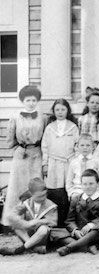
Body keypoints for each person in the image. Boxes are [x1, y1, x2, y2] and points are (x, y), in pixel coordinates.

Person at [2, 86, 46, 227]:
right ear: (23, 101)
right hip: (21, 155)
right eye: (28, 100)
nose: (31, 103)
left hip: (37, 154)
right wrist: (19, 149)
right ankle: (14, 221)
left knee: (35, 185)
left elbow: (45, 137)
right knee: (18, 187)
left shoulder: (43, 117)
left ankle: (33, 221)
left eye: (34, 100)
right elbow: (10, 139)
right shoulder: (15, 117)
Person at [55, 169, 99, 256]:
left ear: (98, 184)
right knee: (55, 232)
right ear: (81, 185)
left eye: (91, 184)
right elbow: (69, 220)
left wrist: (91, 225)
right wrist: (75, 230)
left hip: (95, 233)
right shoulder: (76, 199)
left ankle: (69, 248)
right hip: (80, 233)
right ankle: (86, 246)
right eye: (84, 184)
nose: (88, 187)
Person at [42, 99, 79, 226]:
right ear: (54, 111)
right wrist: (45, 164)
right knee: (54, 192)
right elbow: (45, 147)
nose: (60, 112)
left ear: (67, 111)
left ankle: (67, 222)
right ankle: (54, 222)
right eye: (57, 109)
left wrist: (75, 163)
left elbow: (77, 146)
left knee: (67, 190)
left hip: (69, 162)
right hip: (53, 163)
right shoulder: (50, 128)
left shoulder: (73, 127)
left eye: (63, 109)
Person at [0, 178, 57, 255]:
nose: (43, 198)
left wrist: (37, 221)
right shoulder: (28, 203)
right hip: (29, 235)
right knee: (16, 227)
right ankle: (33, 247)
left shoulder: (51, 205)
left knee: (43, 229)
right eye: (39, 196)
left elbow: (53, 222)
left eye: (44, 195)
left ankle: (19, 250)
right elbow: (11, 215)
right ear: (31, 194)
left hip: (43, 237)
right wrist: (25, 224)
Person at [66, 134, 99, 199]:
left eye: (88, 145)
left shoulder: (98, 161)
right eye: (82, 145)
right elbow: (69, 180)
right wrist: (70, 191)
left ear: (93, 147)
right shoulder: (74, 162)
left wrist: (98, 185)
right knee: (75, 197)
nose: (85, 148)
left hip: (96, 187)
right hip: (79, 187)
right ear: (77, 147)